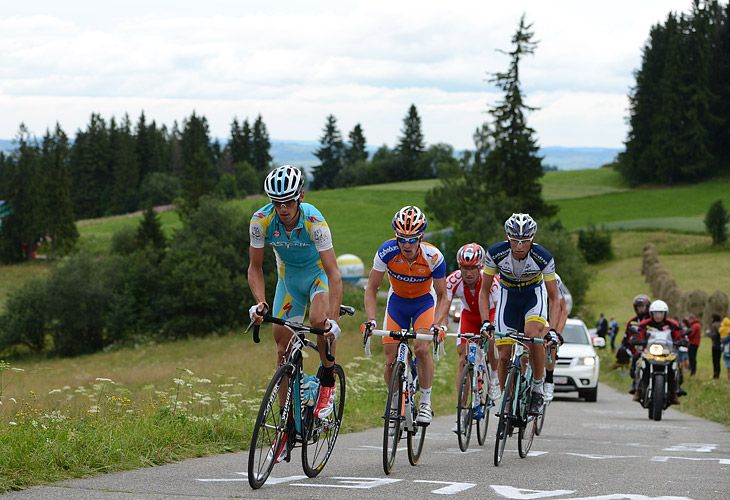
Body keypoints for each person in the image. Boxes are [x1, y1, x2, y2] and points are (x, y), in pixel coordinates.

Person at [248, 165, 343, 422]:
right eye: (277, 202)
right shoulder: (260, 221)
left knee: (319, 322)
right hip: (289, 282)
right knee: (282, 349)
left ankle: (327, 381)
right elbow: (255, 268)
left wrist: (334, 320)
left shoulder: (314, 221)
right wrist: (260, 302)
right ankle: (285, 419)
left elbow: (334, 273)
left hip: (318, 277)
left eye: (288, 201)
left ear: (300, 196)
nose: (283, 208)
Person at [363, 206, 447, 426]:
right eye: (402, 239)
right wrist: (371, 320)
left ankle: (426, 401)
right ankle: (394, 403)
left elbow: (443, 295)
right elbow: (371, 288)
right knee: (390, 358)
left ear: (421, 237)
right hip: (397, 303)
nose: (406, 245)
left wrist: (437, 324)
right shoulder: (386, 251)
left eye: (412, 240)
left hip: (423, 303)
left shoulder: (433, 256)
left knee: (421, 349)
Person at [478, 213, 561, 416]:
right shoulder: (496, 253)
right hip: (508, 296)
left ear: (533, 238)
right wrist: (486, 321)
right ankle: (507, 398)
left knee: (532, 335)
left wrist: (553, 330)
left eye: (525, 240)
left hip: (533, 295)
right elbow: (484, 291)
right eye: (515, 240)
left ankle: (538, 387)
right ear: (508, 237)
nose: (520, 246)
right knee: (504, 355)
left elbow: (554, 297)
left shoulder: (543, 256)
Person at [433, 243, 501, 432]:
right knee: (463, 359)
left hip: (491, 314)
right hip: (469, 317)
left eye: (472, 268)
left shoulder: (492, 281)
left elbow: (499, 308)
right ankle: (462, 411)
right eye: (464, 268)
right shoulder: (453, 279)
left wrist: (492, 328)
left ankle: (494, 377)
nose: (468, 273)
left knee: (493, 343)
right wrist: (441, 325)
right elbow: (444, 304)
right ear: (459, 267)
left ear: (480, 267)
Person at [633, 300, 688, 404]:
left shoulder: (672, 324)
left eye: (661, 313)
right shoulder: (645, 324)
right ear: (651, 313)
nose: (658, 316)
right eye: (655, 313)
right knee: (639, 364)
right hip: (649, 351)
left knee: (677, 366)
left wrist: (682, 340)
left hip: (668, 352)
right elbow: (639, 333)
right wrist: (636, 339)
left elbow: (679, 334)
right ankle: (638, 389)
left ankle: (674, 391)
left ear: (665, 313)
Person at [543, 272, 569, 403]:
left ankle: (549, 378)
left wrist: (557, 333)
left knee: (550, 342)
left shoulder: (554, 278)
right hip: (532, 312)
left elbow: (563, 310)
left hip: (550, 315)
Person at [625, 294, 651, 395]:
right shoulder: (632, 322)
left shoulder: (653, 320)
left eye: (642, 306)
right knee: (636, 358)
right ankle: (636, 383)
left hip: (653, 347)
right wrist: (628, 343)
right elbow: (626, 337)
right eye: (638, 307)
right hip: (638, 349)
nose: (641, 309)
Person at [709, 314, 722, 379]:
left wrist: (709, 334)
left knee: (715, 360)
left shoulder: (714, 325)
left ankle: (715, 375)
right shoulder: (721, 324)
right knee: (718, 360)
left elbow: (713, 335)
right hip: (721, 344)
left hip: (715, 344)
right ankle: (718, 374)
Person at [721, 316, 730, 380]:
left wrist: (722, 340)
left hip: (727, 351)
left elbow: (724, 341)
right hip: (727, 351)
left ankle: (729, 377)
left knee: (728, 365)